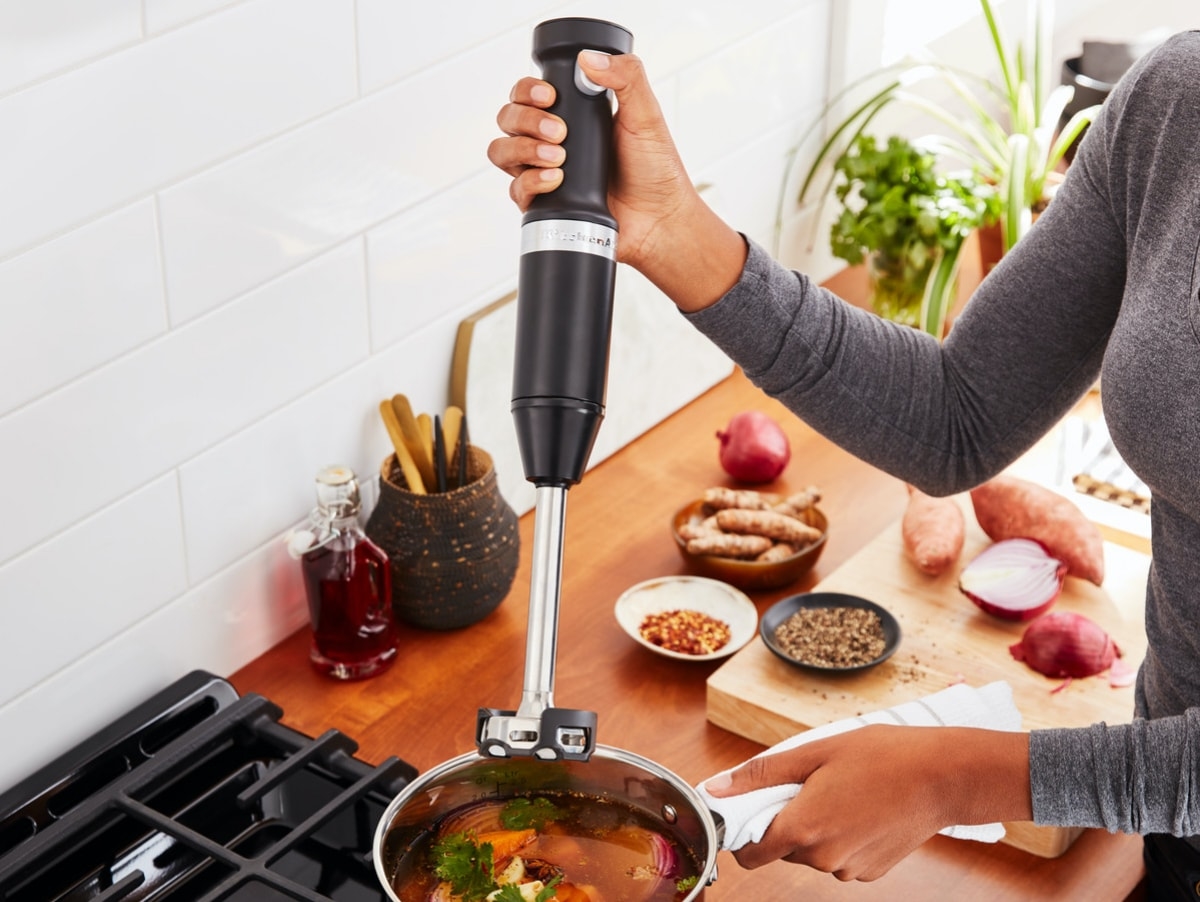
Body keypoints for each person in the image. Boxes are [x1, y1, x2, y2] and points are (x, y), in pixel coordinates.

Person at [488, 30, 1200, 897]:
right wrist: (677, 233)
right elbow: (957, 414)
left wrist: (958, 776)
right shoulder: (1178, 102)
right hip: (1171, 820)